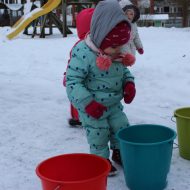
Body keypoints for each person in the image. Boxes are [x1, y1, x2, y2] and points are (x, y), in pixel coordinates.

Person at [66, 0, 136, 176]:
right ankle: (100, 159)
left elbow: (123, 70)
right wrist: (87, 104)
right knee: (99, 133)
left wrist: (129, 83)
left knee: (121, 127)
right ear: (100, 36)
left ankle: (120, 152)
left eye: (121, 45)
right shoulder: (83, 53)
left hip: (113, 104)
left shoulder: (116, 51)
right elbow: (73, 82)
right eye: (114, 46)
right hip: (92, 107)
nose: (118, 50)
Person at [63, 8, 95, 126]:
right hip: (91, 78)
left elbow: (71, 62)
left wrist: (67, 74)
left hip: (78, 77)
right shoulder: (97, 44)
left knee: (78, 96)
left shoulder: (77, 45)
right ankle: (82, 117)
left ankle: (78, 117)